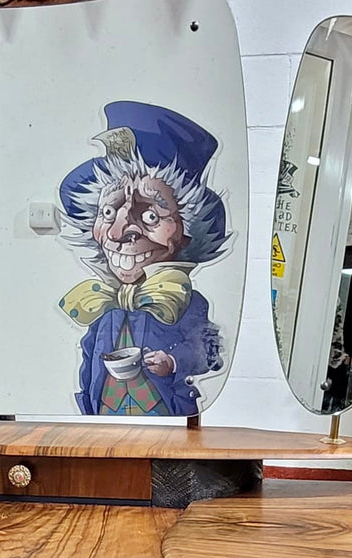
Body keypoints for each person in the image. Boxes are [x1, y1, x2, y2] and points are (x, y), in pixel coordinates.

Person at [57, 101, 231, 416]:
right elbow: (89, 356)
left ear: (185, 233)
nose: (118, 232)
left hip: (165, 418)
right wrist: (86, 409)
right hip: (106, 418)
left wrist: (175, 361)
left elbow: (210, 352)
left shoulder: (186, 301)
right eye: (108, 211)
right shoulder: (101, 306)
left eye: (150, 214)